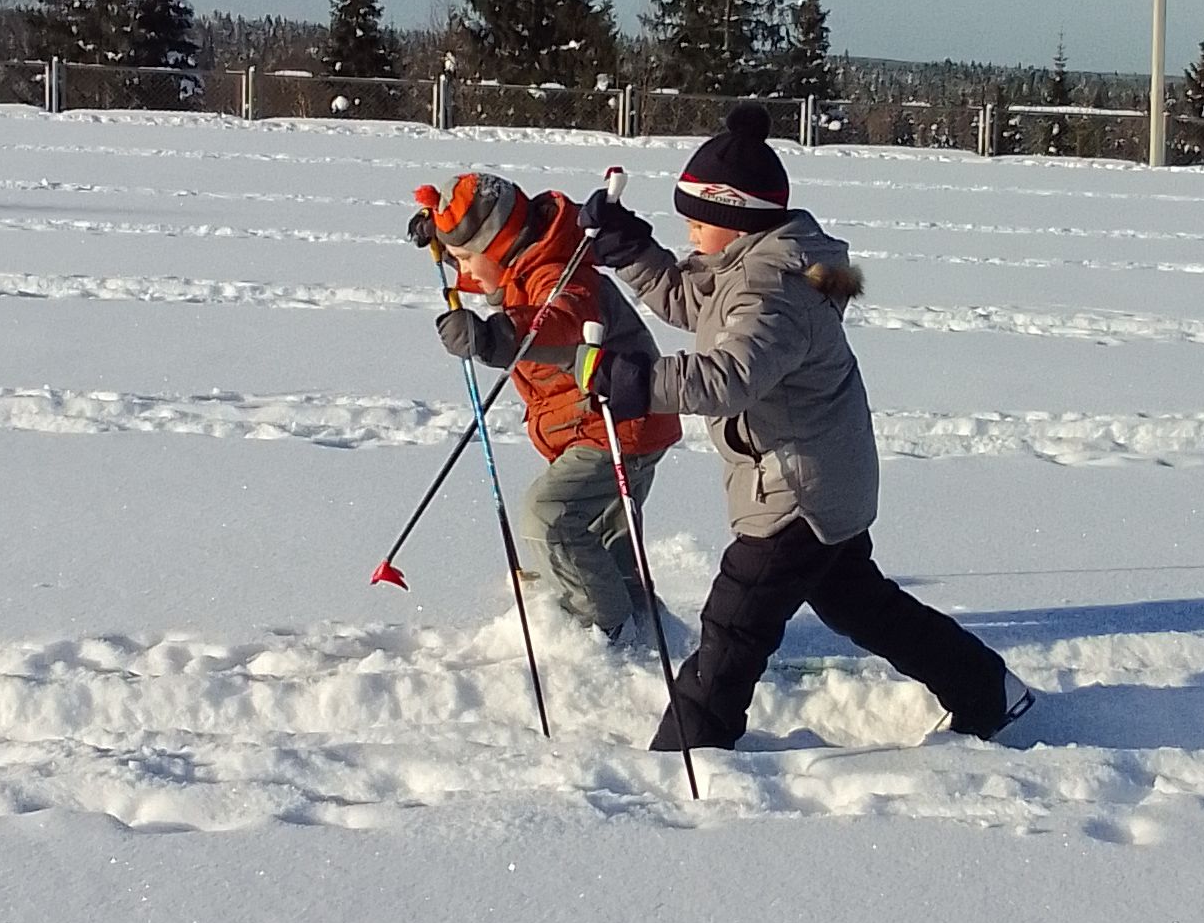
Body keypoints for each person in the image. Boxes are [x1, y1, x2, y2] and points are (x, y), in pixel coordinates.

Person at [575, 104, 1041, 751]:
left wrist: (637, 383)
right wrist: (631, 251)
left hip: (797, 486)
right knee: (861, 604)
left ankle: (687, 752)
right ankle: (988, 690)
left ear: (737, 219)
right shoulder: (761, 264)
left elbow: (729, 373)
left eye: (697, 219)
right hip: (823, 475)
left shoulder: (775, 291)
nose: (688, 230)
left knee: (733, 626)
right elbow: (694, 301)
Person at [416, 171, 681, 642]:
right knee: (606, 538)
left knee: (549, 513)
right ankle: (644, 622)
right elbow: (497, 282)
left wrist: (494, 336)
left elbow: (560, 323)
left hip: (616, 426)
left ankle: (602, 628)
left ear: (499, 246)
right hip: (602, 425)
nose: (468, 274)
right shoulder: (526, 264)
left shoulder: (557, 273)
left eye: (467, 258)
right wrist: (439, 235)